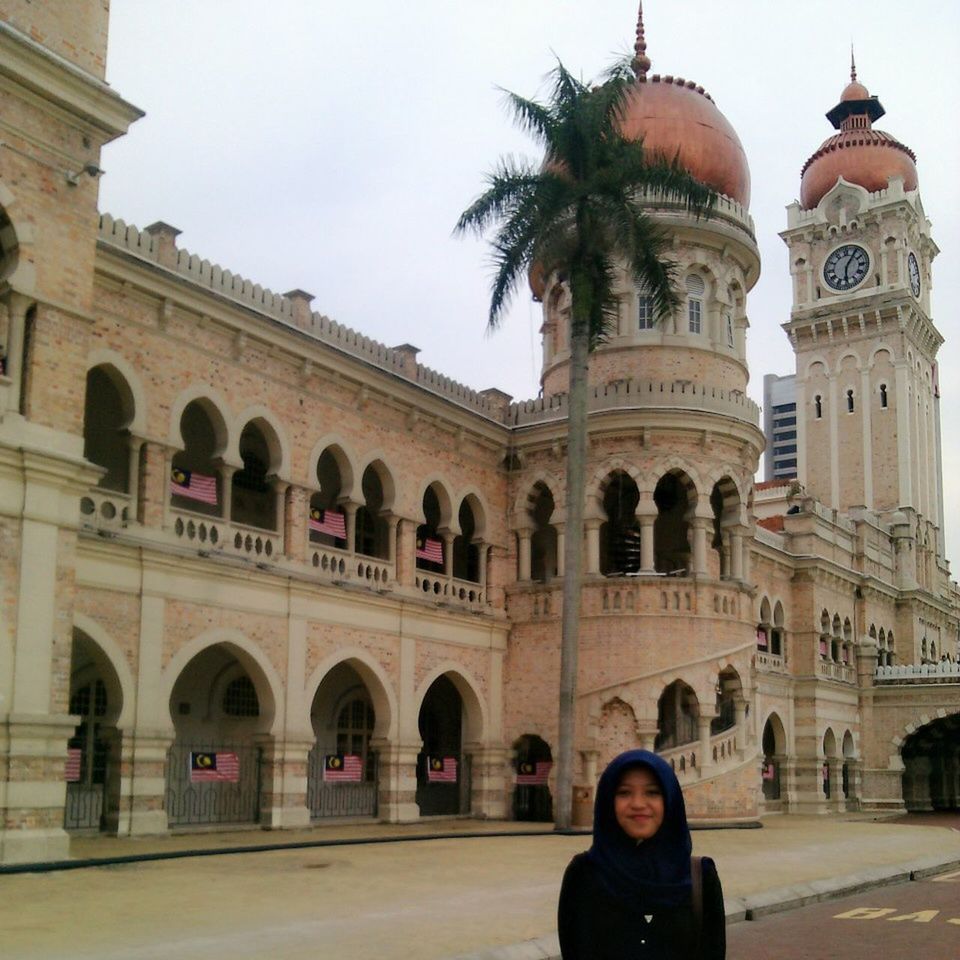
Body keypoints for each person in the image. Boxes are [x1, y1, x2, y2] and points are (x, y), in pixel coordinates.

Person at [558, 749, 725, 959]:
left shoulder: (700, 878)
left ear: (669, 800)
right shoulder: (583, 874)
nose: (637, 804)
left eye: (652, 792)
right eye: (624, 792)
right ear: (608, 800)